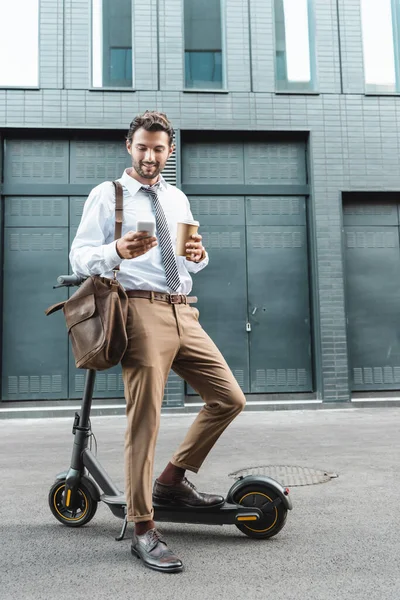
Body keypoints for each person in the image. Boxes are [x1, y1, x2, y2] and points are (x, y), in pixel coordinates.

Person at [70, 111, 246, 573]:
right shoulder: (107, 195)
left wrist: (199, 255)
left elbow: (193, 257)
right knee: (145, 416)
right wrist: (115, 251)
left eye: (159, 149)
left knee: (228, 398)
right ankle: (142, 525)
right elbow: (81, 254)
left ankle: (171, 480)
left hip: (183, 306)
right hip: (139, 307)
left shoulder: (177, 197)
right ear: (129, 146)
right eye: (143, 147)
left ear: (169, 152)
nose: (151, 157)